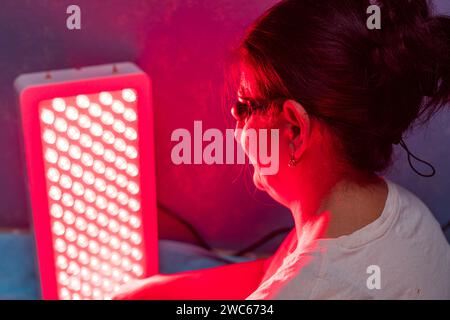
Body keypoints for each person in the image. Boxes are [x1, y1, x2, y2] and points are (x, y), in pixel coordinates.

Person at [115, 0, 450, 299]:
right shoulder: (399, 210)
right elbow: (272, 273)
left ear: (294, 128)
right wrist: (158, 290)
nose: (235, 123)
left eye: (244, 106)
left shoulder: (309, 288)